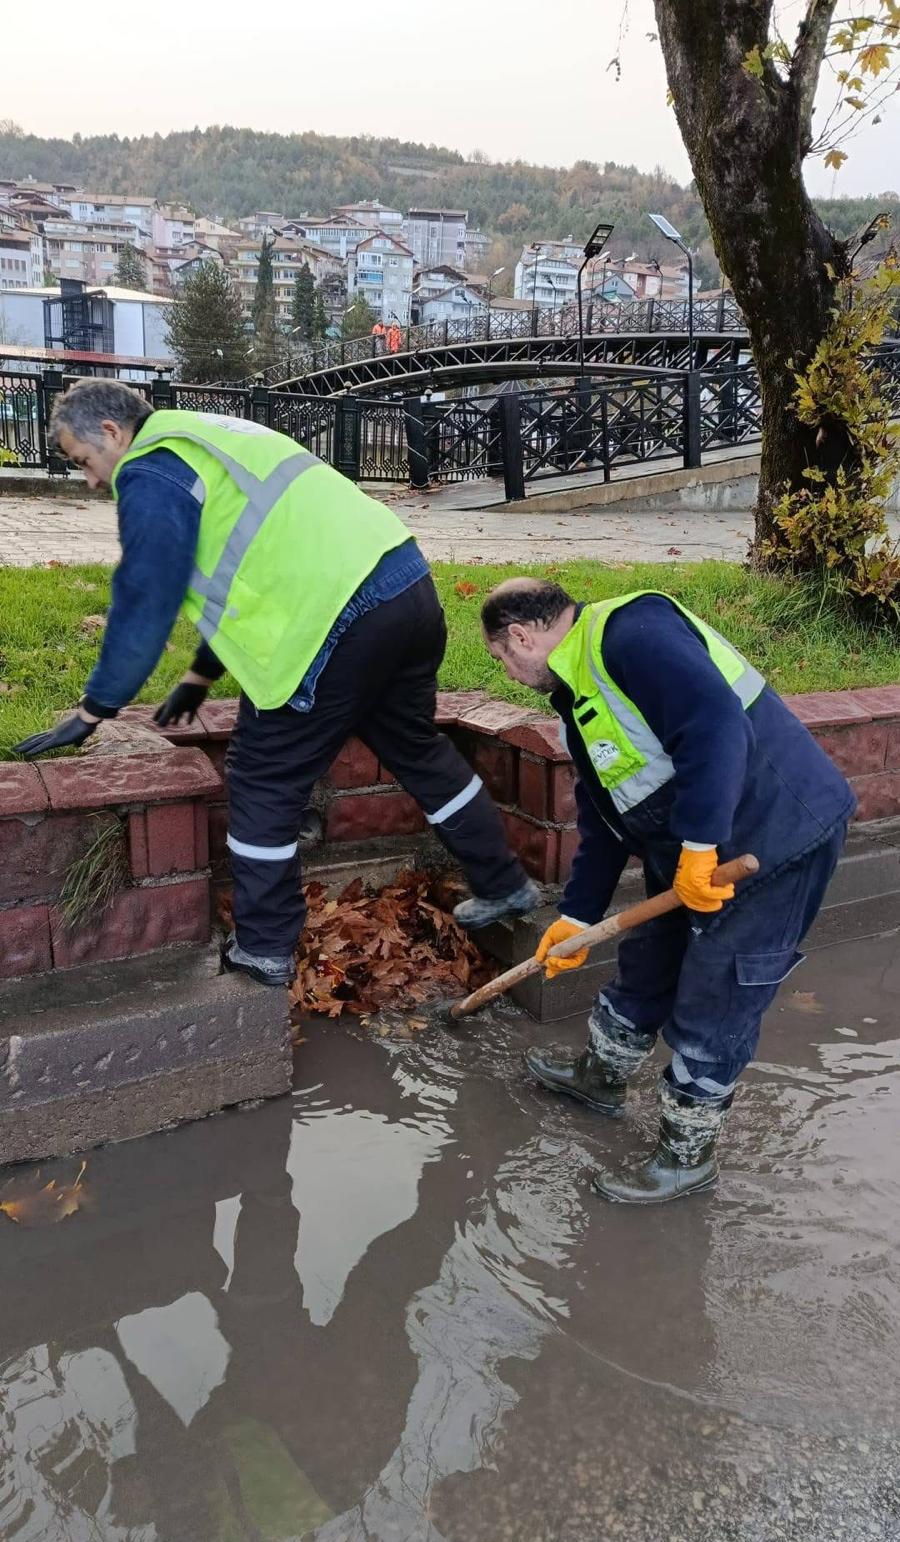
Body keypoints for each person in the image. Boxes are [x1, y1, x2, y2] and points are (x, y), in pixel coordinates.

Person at [14, 380, 538, 984]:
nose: (92, 480)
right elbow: (254, 567)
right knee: (416, 747)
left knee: (263, 775)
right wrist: (198, 675)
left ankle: (263, 948)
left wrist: (95, 707)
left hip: (334, 616)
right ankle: (504, 883)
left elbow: (145, 594)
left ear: (111, 432)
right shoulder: (208, 436)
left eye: (84, 462)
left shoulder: (152, 467)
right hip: (405, 586)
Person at [481, 577, 855, 1203]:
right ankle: (601, 1077)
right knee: (650, 954)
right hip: (693, 847)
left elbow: (715, 727)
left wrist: (703, 845)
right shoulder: (582, 696)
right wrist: (576, 918)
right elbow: (604, 819)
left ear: (521, 635)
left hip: (775, 835)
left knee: (722, 987)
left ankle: (686, 1154)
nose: (508, 673)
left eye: (502, 659)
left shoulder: (634, 633)